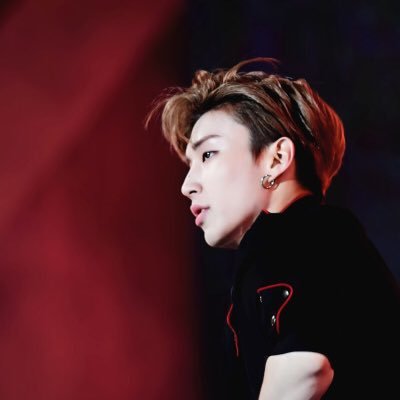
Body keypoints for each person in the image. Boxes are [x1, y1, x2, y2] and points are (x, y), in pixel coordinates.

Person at [146, 57, 400, 399]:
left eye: (207, 155)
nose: (187, 186)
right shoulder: (314, 242)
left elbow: (306, 368)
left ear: (277, 159)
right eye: (189, 164)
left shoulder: (297, 237)